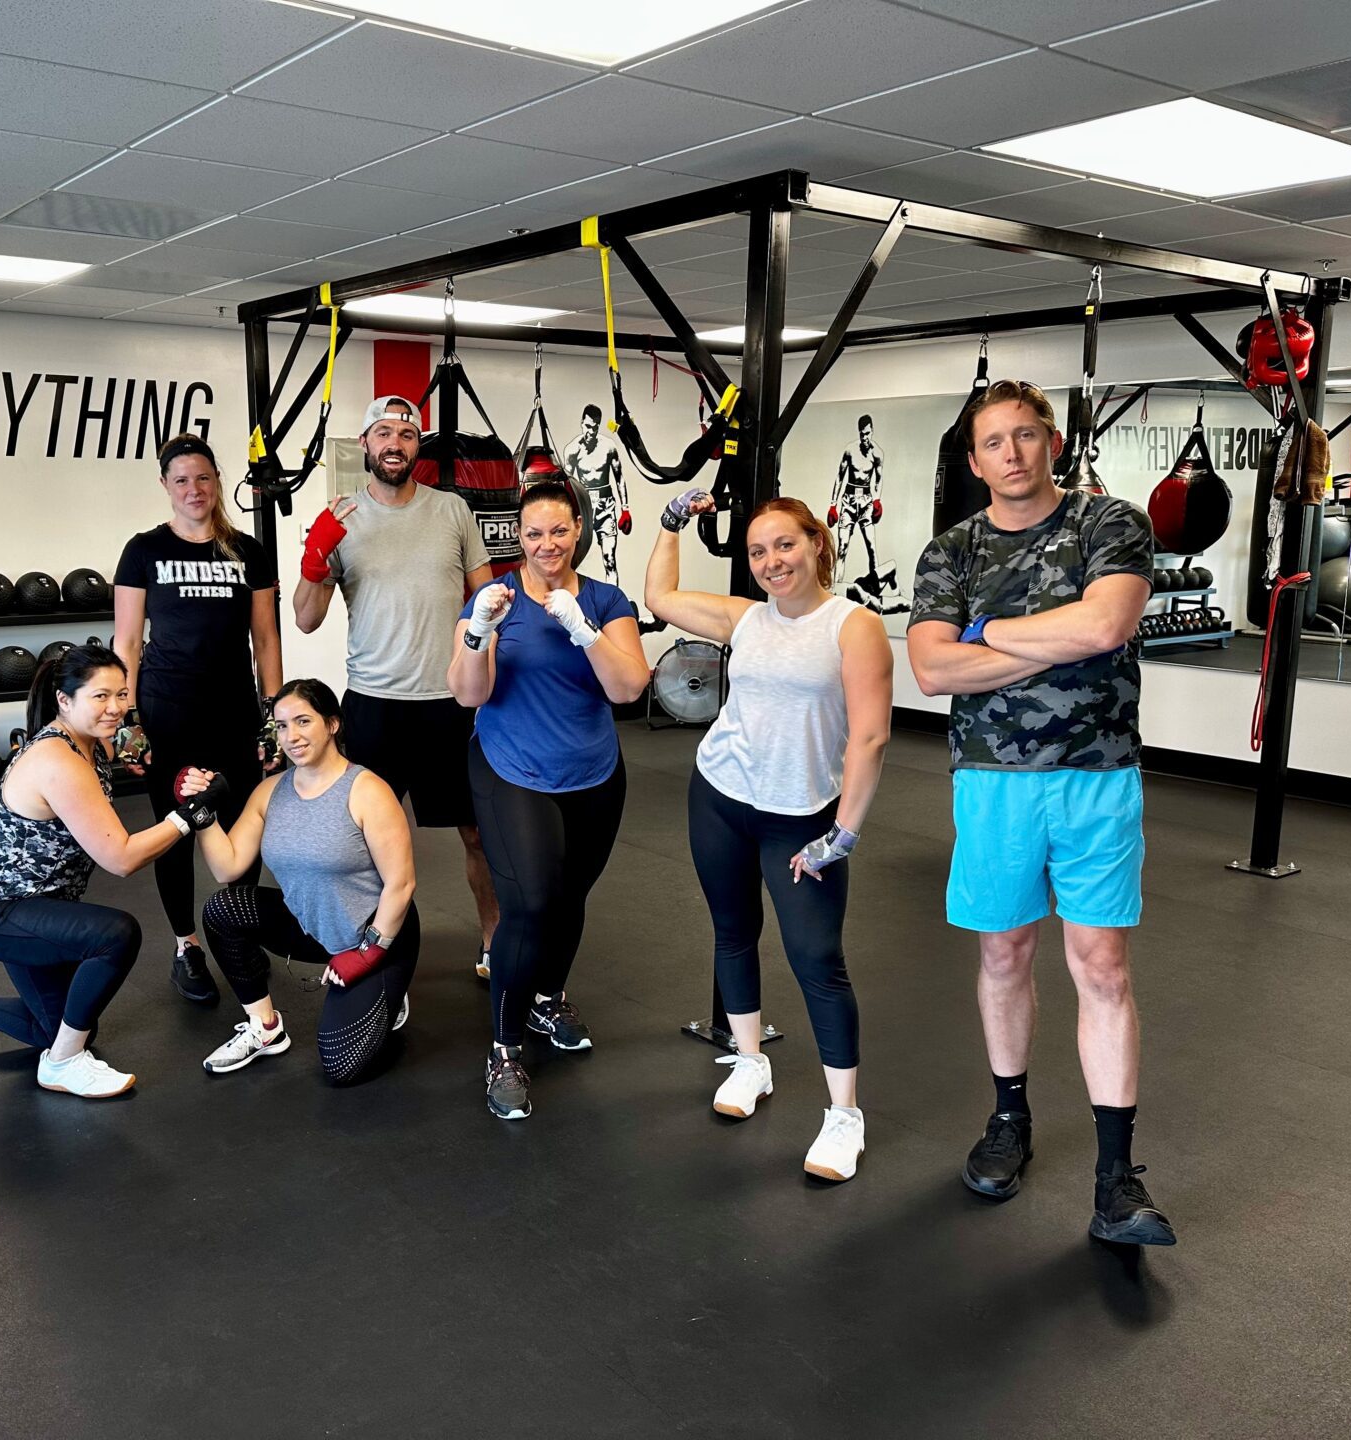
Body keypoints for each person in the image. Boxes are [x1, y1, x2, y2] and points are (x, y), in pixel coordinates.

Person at [906, 378, 1174, 1247]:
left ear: (1051, 441)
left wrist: (983, 634)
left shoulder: (1108, 523)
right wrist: (1033, 638)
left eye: (1026, 435)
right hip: (993, 778)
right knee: (1005, 951)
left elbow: (1104, 629)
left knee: (1101, 965)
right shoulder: (952, 551)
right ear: (975, 458)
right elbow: (931, 673)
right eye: (994, 442)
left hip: (1098, 774)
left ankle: (1116, 1178)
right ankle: (1009, 1120)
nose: (1012, 453)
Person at [644, 489, 892, 1181]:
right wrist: (670, 523)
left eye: (785, 544)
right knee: (732, 932)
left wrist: (841, 836)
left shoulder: (854, 625)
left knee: (817, 959)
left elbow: (870, 737)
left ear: (816, 543)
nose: (772, 560)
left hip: (803, 817)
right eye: (758, 551)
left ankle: (844, 1115)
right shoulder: (746, 619)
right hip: (721, 795)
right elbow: (659, 594)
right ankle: (751, 1061)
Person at [0, 645, 213, 1098]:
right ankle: (62, 1065)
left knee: (56, 1027)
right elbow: (120, 859)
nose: (115, 707)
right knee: (116, 934)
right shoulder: (57, 759)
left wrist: (182, 776)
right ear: (64, 699)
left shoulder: (92, 739)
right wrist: (187, 817)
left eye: (121, 694)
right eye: (100, 696)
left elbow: (141, 746)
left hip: (35, 904)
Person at [449, 480, 650, 1120]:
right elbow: (467, 694)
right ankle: (504, 1050)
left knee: (567, 900)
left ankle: (547, 998)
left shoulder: (605, 599)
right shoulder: (495, 599)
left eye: (558, 532)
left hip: (592, 773)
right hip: (512, 769)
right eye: (533, 534)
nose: (546, 545)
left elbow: (628, 690)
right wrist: (479, 631)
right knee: (531, 903)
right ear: (519, 538)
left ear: (578, 531)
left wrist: (584, 632)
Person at [292, 396, 498, 983]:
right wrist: (314, 556)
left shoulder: (454, 511)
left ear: (416, 447)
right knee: (362, 841)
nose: (394, 444)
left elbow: (485, 599)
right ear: (365, 443)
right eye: (383, 432)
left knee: (479, 833)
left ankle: (493, 940)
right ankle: (370, 948)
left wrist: (487, 661)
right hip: (375, 706)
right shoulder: (342, 517)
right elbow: (306, 619)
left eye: (406, 435)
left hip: (449, 702)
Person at [181, 679, 420, 1085]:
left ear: (332, 724)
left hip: (376, 935)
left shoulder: (367, 791)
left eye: (303, 721)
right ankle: (265, 1026)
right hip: (309, 926)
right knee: (223, 909)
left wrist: (367, 952)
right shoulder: (270, 791)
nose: (291, 736)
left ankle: (388, 992)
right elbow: (228, 868)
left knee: (341, 1068)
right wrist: (201, 814)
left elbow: (401, 884)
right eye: (282, 725)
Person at [113, 434, 281, 1008]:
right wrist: (126, 717)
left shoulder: (247, 552)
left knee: (242, 825)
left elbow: (266, 638)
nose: (194, 489)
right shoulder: (143, 551)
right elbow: (129, 640)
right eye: (181, 479)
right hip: (168, 711)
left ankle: (237, 927)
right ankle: (186, 945)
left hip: (235, 710)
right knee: (177, 828)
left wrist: (273, 714)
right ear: (166, 485)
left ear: (216, 480)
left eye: (204, 478)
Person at [561, 403, 631, 587]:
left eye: (595, 427)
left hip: (605, 506)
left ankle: (612, 603)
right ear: (581, 423)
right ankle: (572, 604)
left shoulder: (608, 447)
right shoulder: (572, 450)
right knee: (571, 561)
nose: (590, 431)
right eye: (587, 426)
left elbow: (619, 478)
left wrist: (625, 509)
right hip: (583, 507)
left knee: (609, 559)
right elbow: (566, 485)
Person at [831, 414, 886, 591]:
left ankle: (875, 590)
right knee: (843, 548)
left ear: (872, 432)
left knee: (871, 547)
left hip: (866, 502)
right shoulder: (850, 450)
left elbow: (878, 479)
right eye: (862, 434)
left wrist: (877, 500)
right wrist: (833, 504)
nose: (865, 438)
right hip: (848, 501)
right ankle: (837, 590)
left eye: (868, 434)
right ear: (859, 433)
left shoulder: (877, 454)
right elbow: (840, 478)